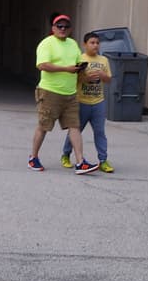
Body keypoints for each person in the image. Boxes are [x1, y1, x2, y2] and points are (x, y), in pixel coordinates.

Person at [29, 14, 98, 174]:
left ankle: (81, 162)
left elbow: (76, 66)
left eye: (66, 26)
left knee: (74, 126)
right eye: (59, 26)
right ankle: (33, 157)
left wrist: (84, 75)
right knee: (43, 126)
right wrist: (66, 69)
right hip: (50, 92)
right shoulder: (47, 43)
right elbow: (42, 65)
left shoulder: (73, 44)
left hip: (70, 93)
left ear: (70, 29)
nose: (62, 29)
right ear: (53, 28)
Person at [60, 31, 114, 173]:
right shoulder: (80, 59)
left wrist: (103, 75)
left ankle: (103, 160)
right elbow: (73, 79)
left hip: (98, 102)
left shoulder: (104, 60)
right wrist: (85, 79)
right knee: (75, 130)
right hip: (81, 101)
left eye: (97, 43)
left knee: (100, 132)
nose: (95, 45)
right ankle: (66, 155)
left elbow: (109, 80)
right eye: (92, 43)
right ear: (85, 45)